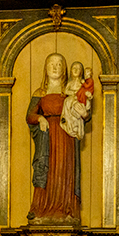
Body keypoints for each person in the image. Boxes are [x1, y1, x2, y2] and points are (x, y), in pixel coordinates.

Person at [26, 52, 86, 222]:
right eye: (51, 64)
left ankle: (66, 209)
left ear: (65, 69)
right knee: (45, 169)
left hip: (66, 136)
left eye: (59, 64)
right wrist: (40, 118)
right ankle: (40, 209)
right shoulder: (41, 92)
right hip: (47, 138)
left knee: (64, 171)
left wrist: (83, 112)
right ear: (46, 68)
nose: (55, 67)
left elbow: (83, 112)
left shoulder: (70, 91)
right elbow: (30, 115)